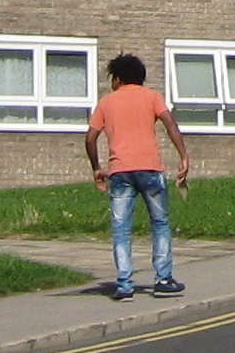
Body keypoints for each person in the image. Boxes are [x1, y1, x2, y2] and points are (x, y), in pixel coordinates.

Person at [84, 53, 192, 301]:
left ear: (118, 79)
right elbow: (170, 125)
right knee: (160, 223)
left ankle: (124, 284)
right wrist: (183, 155)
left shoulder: (106, 102)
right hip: (151, 168)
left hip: (120, 171)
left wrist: (97, 168)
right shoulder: (152, 97)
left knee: (121, 228)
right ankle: (164, 280)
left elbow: (90, 138)